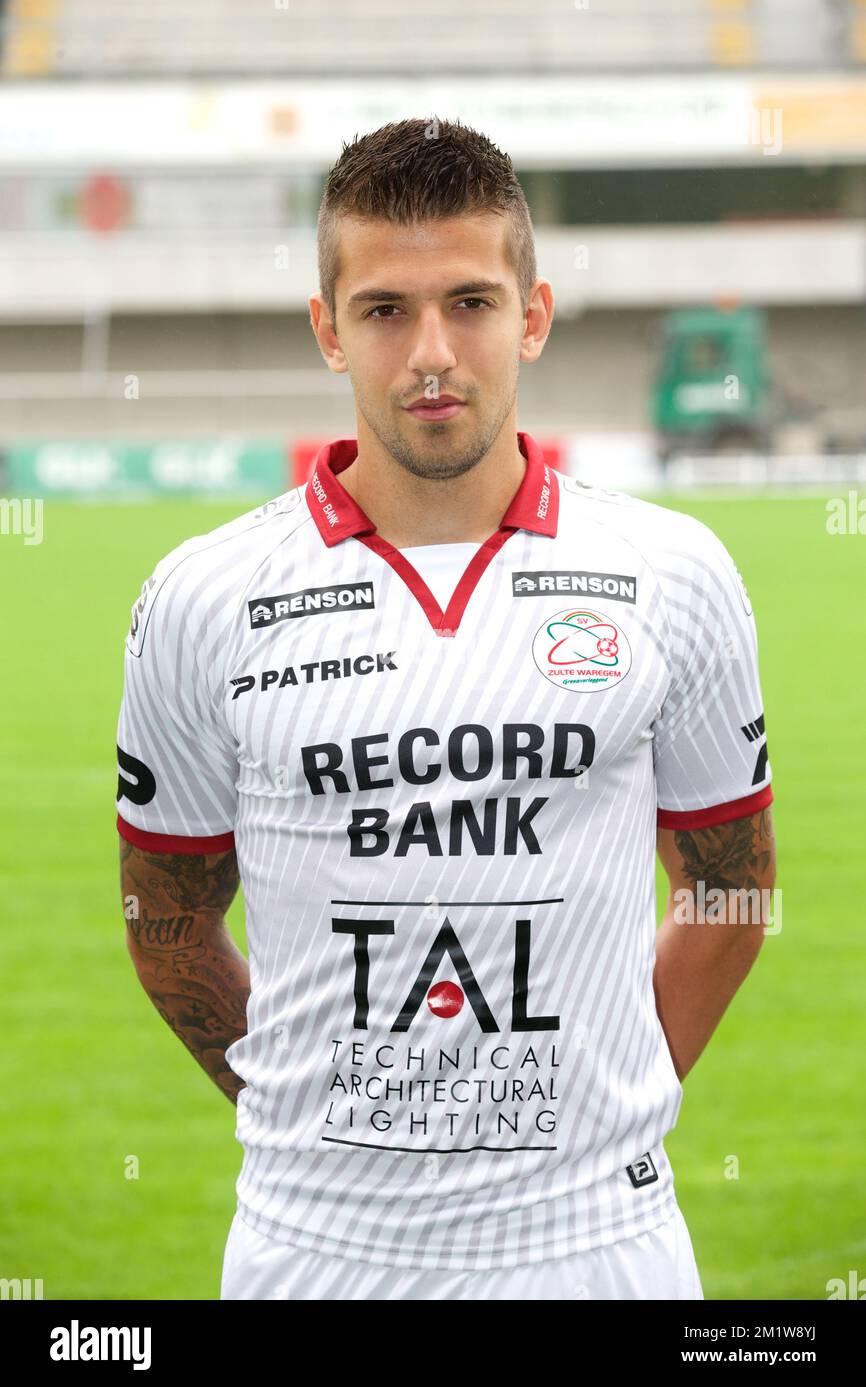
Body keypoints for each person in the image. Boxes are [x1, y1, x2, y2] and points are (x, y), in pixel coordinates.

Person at [116, 116, 776, 1300]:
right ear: (328, 330)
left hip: (596, 1247)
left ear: (531, 313)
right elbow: (165, 918)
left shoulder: (672, 572)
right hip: (312, 1250)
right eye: (382, 310)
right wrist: (307, 1118)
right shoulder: (201, 596)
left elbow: (730, 889)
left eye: (469, 302)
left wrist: (607, 1109)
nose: (430, 352)